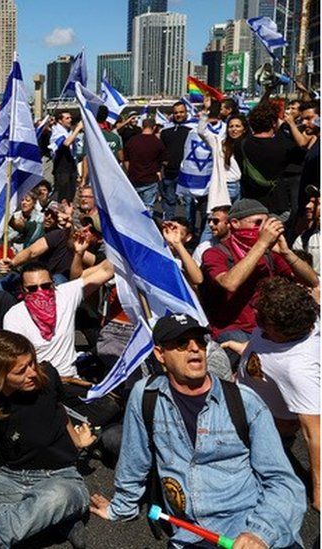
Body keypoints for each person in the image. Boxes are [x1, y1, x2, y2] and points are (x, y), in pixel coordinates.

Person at [90, 313, 307, 549]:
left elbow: (283, 481)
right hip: (192, 535)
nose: (194, 349)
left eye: (200, 341)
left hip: (250, 524)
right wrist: (121, 507)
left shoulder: (243, 402)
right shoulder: (145, 396)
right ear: (160, 354)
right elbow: (135, 459)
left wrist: (260, 533)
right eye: (182, 343)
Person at [0, 331, 96, 548]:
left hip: (60, 477)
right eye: (21, 371)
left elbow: (59, 409)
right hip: (11, 478)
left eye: (31, 363)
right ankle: (52, 521)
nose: (32, 372)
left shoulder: (48, 376)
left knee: (57, 497)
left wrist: (78, 442)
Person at [236, 277, 320, 510]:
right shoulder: (273, 328)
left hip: (266, 428)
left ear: (284, 330)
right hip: (246, 399)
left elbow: (314, 433)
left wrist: (319, 490)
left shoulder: (298, 369)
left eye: (263, 320)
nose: (256, 320)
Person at [199, 199, 318, 363]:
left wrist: (286, 252)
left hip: (267, 325)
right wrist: (261, 244)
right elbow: (230, 283)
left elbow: (312, 281)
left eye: (266, 223)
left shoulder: (271, 252)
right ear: (235, 223)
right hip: (232, 327)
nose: (263, 229)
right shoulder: (215, 253)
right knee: (249, 363)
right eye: (257, 223)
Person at [1, 260, 117, 426]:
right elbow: (18, 366)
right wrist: (65, 380)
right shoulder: (14, 317)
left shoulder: (65, 295)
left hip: (73, 384)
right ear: (22, 290)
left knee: (113, 408)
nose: (40, 292)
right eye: (32, 289)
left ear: (54, 285)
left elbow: (106, 269)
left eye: (46, 286)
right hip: (40, 386)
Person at [234, 103, 303, 216]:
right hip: (276, 206)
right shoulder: (283, 145)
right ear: (273, 123)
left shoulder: (240, 144)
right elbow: (302, 150)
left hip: (250, 204)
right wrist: (287, 125)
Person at [178, 99, 225, 234]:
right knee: (190, 209)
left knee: (208, 211)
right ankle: (188, 233)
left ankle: (203, 234)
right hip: (193, 178)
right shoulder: (193, 130)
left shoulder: (224, 130)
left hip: (212, 179)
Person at [123, 119, 166, 216]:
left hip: (134, 178)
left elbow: (125, 159)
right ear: (154, 127)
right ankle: (147, 228)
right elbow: (163, 160)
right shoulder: (157, 142)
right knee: (148, 207)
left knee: (134, 207)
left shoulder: (132, 141)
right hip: (150, 179)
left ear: (142, 126)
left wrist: (130, 170)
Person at [160, 101, 193, 220]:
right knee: (169, 201)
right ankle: (169, 226)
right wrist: (163, 163)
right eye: (176, 113)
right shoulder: (165, 131)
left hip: (187, 173)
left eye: (181, 112)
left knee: (189, 202)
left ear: (186, 113)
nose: (178, 115)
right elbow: (161, 151)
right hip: (170, 173)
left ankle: (190, 228)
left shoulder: (192, 130)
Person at [47, 112, 83, 203]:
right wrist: (77, 129)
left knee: (71, 195)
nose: (70, 120)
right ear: (60, 120)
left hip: (71, 168)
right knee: (63, 196)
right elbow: (66, 143)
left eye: (70, 118)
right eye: (67, 118)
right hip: (62, 168)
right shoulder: (57, 131)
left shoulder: (68, 131)